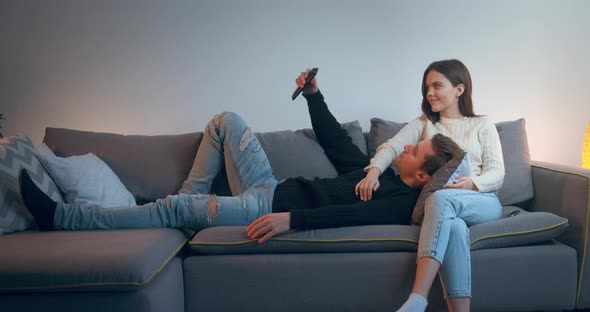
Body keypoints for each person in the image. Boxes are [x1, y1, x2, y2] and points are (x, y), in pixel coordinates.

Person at [19, 69, 463, 244]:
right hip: (269, 186)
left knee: (175, 208)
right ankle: (184, 209)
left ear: (423, 176)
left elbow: (349, 218)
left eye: (414, 150)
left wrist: (292, 220)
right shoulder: (374, 170)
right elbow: (335, 142)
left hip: (268, 207)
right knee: (225, 121)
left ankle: (63, 219)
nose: (405, 145)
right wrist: (313, 94)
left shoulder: (397, 202)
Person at [358, 60, 504, 312]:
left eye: (437, 86)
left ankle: (418, 296)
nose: (429, 93)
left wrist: (472, 183)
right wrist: (373, 171)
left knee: (440, 199)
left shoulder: (483, 126)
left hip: (480, 200)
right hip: (446, 210)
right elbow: (391, 146)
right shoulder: (426, 123)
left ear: (459, 89)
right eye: (427, 87)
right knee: (455, 227)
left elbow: (497, 172)